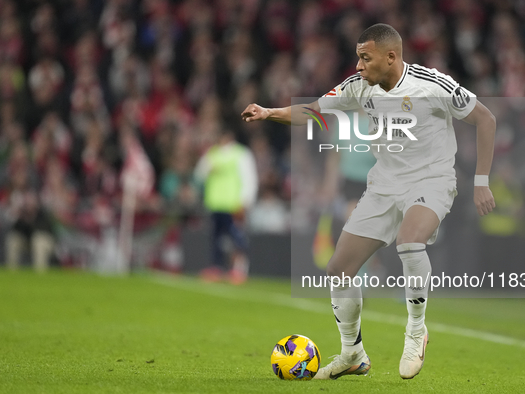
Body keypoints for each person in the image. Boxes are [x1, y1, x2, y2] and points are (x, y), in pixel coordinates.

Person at [241, 24, 496, 380]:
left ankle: (417, 331)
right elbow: (314, 111)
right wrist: (270, 112)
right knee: (338, 270)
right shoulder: (359, 87)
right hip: (383, 186)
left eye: (366, 58)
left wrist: (481, 181)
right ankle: (352, 354)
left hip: (432, 181)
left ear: (391, 57)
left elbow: (485, 118)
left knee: (409, 241)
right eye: (358, 57)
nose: (358, 66)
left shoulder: (431, 84)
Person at [194, 129, 258, 285]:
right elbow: (199, 175)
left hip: (233, 204)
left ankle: (239, 269)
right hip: (216, 203)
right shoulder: (212, 154)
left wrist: (245, 201)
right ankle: (217, 267)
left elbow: (249, 178)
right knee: (216, 237)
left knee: (236, 236)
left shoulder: (241, 154)